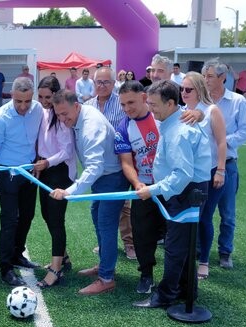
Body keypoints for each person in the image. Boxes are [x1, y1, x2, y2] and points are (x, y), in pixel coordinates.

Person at [133, 80, 211, 309]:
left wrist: (152, 190)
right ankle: (186, 291)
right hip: (188, 191)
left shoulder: (179, 130)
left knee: (176, 247)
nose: (150, 109)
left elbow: (182, 174)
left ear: (170, 103)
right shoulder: (174, 121)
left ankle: (165, 296)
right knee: (183, 245)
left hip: (187, 192)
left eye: (154, 105)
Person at [50, 89, 127, 295]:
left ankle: (107, 278)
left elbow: (95, 166)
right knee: (98, 219)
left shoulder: (91, 126)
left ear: (76, 106)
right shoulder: (77, 118)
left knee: (106, 224)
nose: (62, 119)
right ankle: (104, 267)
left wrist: (70, 191)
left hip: (113, 177)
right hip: (103, 178)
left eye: (65, 113)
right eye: (58, 114)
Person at [0, 77, 44, 287]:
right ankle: (6, 268)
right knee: (9, 221)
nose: (23, 106)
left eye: (27, 101)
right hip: (8, 174)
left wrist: (38, 159)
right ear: (11, 96)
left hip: (29, 173)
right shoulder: (0, 117)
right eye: (19, 101)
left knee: (27, 216)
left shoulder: (37, 110)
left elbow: (39, 138)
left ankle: (18, 255)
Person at [198, 59, 246, 271]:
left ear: (223, 78)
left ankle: (225, 251)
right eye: (204, 76)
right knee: (202, 212)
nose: (206, 80)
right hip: (204, 166)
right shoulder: (201, 101)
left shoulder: (237, 101)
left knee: (227, 212)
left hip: (227, 164)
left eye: (210, 76)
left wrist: (222, 140)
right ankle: (201, 250)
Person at [113, 80, 166, 293]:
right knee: (142, 235)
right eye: (123, 105)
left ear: (144, 97)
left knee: (173, 235)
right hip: (143, 190)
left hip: (169, 187)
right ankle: (146, 274)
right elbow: (126, 162)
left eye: (131, 103)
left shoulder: (162, 117)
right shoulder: (123, 127)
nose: (127, 109)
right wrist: (137, 183)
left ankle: (175, 278)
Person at [181, 72, 228, 279]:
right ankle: (188, 256)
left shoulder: (211, 111)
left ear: (199, 90)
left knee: (205, 218)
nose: (184, 93)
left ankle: (204, 261)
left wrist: (220, 170)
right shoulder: (182, 111)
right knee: (190, 219)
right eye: (181, 89)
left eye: (188, 89)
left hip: (209, 173)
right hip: (187, 174)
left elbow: (221, 142)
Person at [86, 66, 134, 261]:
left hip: (120, 163)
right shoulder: (88, 105)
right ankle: (106, 243)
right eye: (99, 82)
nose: (102, 85)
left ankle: (129, 243)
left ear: (114, 84)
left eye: (106, 82)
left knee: (124, 207)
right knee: (98, 208)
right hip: (98, 167)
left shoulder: (121, 104)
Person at [34, 76, 75, 288]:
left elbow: (67, 150)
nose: (43, 100)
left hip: (59, 171)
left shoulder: (61, 116)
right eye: (40, 96)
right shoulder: (41, 111)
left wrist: (47, 162)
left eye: (48, 97)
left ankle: (55, 269)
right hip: (45, 168)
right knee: (47, 215)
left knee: (56, 219)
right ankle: (64, 257)